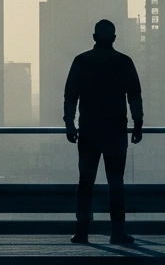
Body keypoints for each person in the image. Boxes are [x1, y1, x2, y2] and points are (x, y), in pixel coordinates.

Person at [63, 18, 144, 245]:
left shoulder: (81, 61)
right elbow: (134, 96)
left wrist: (69, 124)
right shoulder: (124, 62)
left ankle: (82, 232)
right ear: (114, 38)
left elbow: (70, 96)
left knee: (85, 182)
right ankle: (117, 233)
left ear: (94, 37)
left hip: (89, 130)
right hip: (116, 131)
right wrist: (138, 124)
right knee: (116, 183)